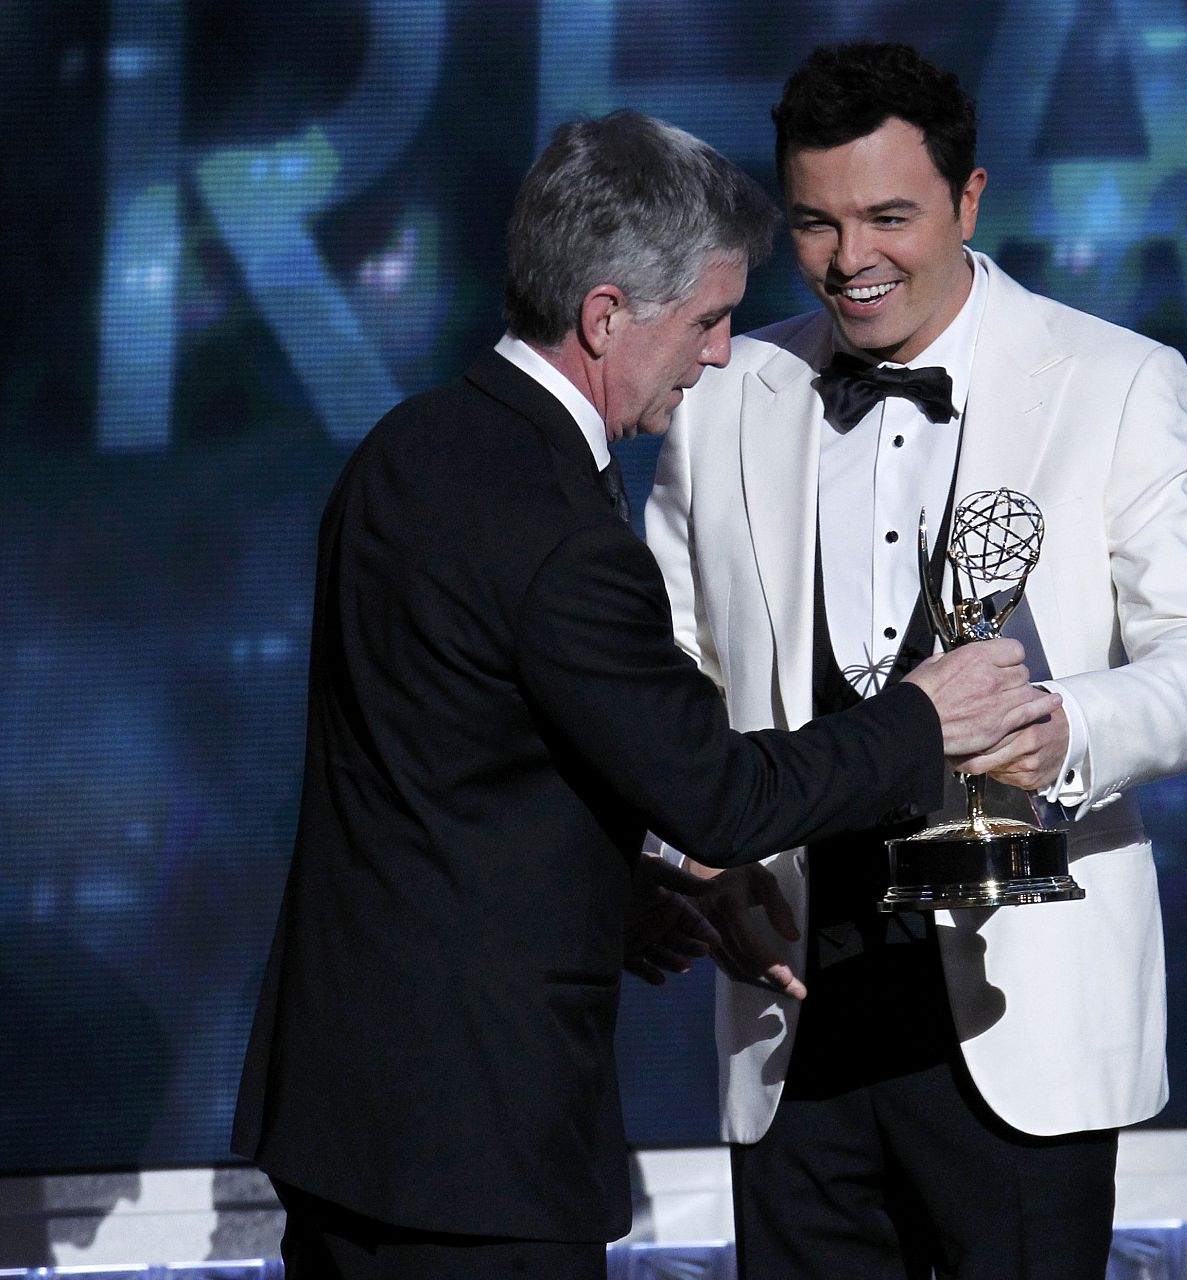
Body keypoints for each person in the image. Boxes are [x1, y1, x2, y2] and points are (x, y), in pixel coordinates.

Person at [231, 110, 1058, 1280]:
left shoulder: (406, 450)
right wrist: (926, 715)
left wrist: (618, 888)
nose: (719, 354)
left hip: (345, 1115)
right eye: (709, 318)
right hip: (476, 1148)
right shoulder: (564, 531)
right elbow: (720, 793)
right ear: (607, 314)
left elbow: (443, 762)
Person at [646, 44, 1187, 1280]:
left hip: (1020, 1016)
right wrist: (682, 850)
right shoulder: (724, 393)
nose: (849, 257)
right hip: (793, 1009)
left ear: (969, 199)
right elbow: (663, 664)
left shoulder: (1115, 379)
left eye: (889, 215)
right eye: (815, 222)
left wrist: (1065, 728)